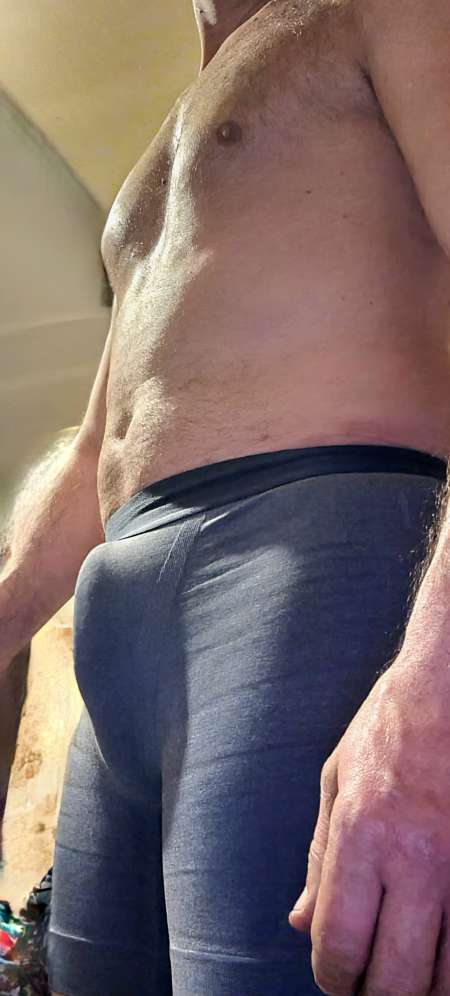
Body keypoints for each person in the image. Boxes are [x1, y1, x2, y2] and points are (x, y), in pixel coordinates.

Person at [1, 0, 450, 992]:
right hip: (121, 616)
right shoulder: (166, 142)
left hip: (310, 562)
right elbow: (100, 448)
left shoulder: (381, 10)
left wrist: (437, 689)